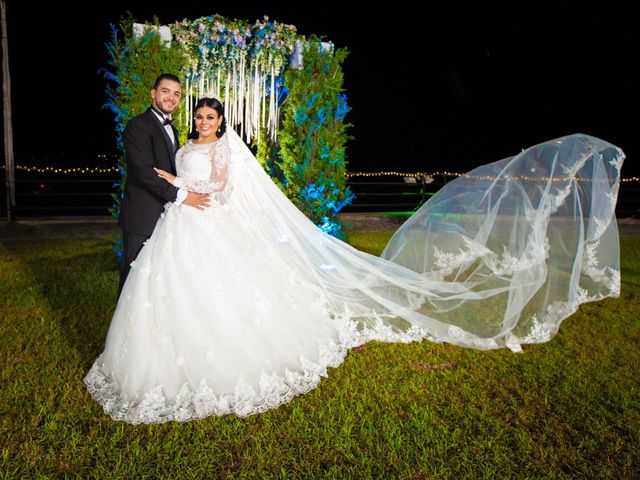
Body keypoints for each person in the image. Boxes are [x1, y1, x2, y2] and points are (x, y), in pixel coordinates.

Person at [85, 97, 625, 424]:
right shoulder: (178, 142)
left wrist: (186, 185)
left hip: (204, 213)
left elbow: (222, 184)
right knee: (168, 286)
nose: (203, 122)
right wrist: (179, 188)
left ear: (219, 122)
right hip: (181, 221)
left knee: (217, 289)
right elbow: (166, 174)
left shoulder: (223, 148)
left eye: (209, 116)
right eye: (198, 115)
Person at [117, 73, 210, 296]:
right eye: (166, 91)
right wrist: (182, 196)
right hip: (143, 216)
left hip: (168, 218)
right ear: (153, 94)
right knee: (133, 283)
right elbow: (143, 172)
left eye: (176, 94)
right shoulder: (138, 125)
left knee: (155, 285)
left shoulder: (174, 130)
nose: (171, 97)